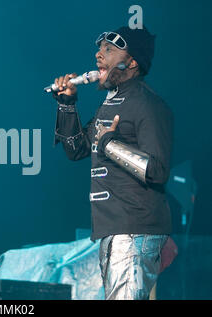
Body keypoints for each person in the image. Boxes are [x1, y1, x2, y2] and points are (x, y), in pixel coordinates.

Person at [52, 26, 174, 300]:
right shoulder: (111, 103)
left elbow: (158, 170)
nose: (99, 55)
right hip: (114, 229)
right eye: (100, 48)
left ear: (132, 61)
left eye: (109, 49)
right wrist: (67, 104)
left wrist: (110, 144)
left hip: (134, 230)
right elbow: (77, 150)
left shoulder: (147, 104)